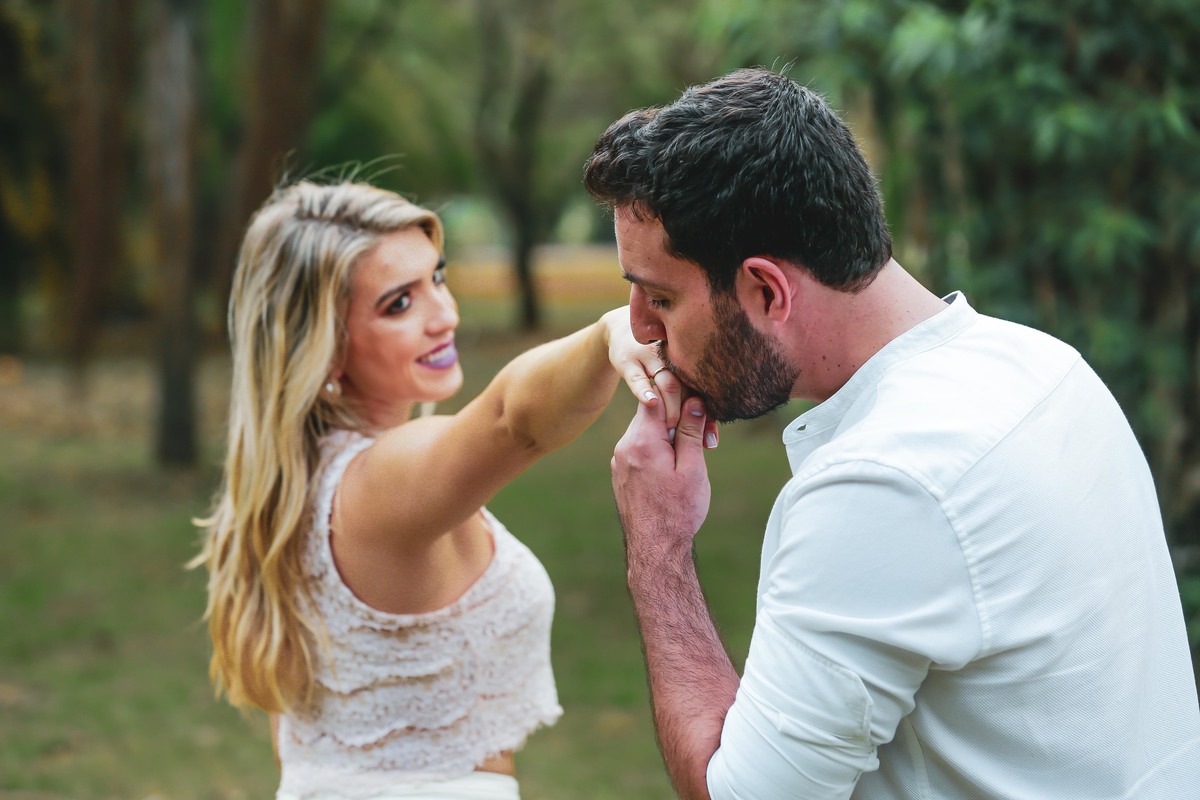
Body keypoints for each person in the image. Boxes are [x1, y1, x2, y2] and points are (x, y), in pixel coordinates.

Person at [583, 67, 1200, 799]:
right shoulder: (1045, 366)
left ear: (767, 291)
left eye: (658, 298)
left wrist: (658, 547)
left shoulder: (882, 482)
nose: (640, 329)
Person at [191, 179, 681, 800]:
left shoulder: (290, 488)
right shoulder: (377, 481)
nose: (445, 316)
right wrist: (608, 334)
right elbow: (513, 422)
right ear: (324, 346)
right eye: (399, 304)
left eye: (437, 279)